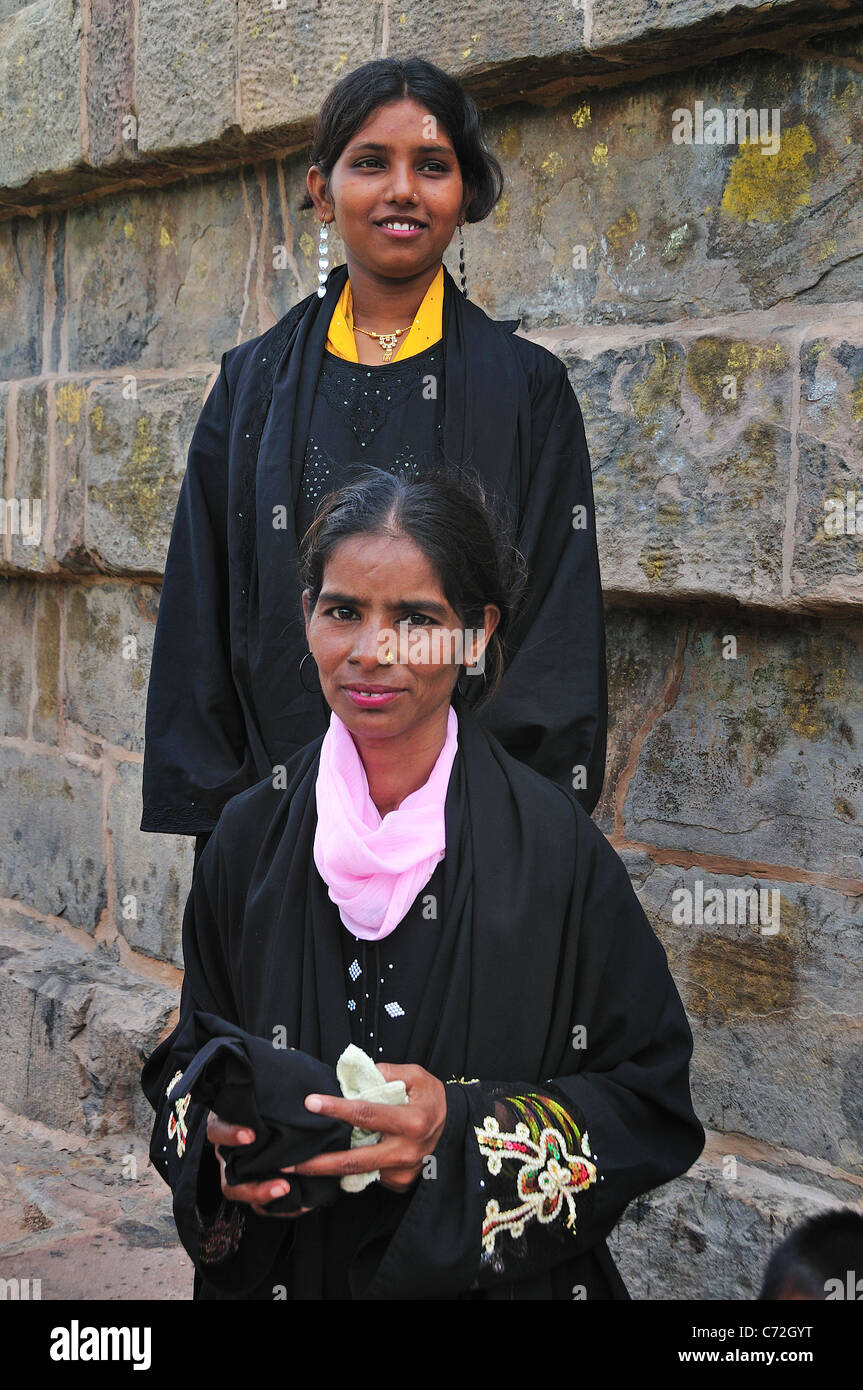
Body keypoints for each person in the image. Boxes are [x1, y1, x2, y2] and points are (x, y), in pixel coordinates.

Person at [141, 469, 704, 1301]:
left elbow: (648, 1103)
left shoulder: (557, 856)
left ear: (474, 636)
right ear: (306, 619)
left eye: (415, 618)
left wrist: (460, 1129)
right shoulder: (248, 838)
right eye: (342, 611)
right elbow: (194, 1058)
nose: (372, 651)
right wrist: (217, 1145)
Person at [139, 56, 607, 860]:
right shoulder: (251, 383)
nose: (401, 189)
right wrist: (227, 822)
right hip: (280, 812)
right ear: (322, 192)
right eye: (370, 164)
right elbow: (203, 605)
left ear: (465, 195)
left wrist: (500, 820)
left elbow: (555, 628)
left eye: (431, 166)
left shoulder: (526, 390)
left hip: (466, 830)